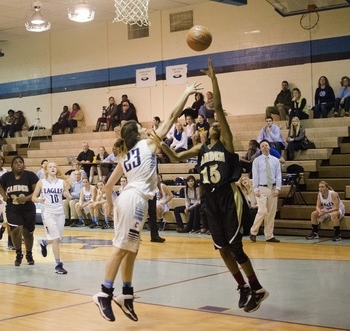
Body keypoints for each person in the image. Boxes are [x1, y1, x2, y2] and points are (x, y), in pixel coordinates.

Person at [152, 59, 269, 313]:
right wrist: (158, 141)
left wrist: (214, 78)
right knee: (222, 249)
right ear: (206, 130)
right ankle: (243, 287)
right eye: (214, 123)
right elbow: (174, 157)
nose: (216, 123)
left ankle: (257, 288)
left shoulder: (225, 143)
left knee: (236, 247)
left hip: (228, 196)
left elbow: (218, 108)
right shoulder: (200, 148)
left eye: (218, 122)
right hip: (210, 200)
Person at [93, 78, 201, 322]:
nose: (145, 126)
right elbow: (173, 116)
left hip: (131, 200)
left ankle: (126, 296)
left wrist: (110, 205)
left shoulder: (127, 154)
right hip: (134, 199)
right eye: (141, 126)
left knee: (131, 249)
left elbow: (109, 185)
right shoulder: (148, 143)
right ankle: (104, 293)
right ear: (137, 132)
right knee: (122, 248)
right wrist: (185, 92)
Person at [0, 156, 39, 266]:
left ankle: (29, 254)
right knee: (16, 229)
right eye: (16, 162)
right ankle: (18, 253)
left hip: (28, 208)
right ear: (12, 166)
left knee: (28, 232)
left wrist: (26, 198)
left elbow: (37, 191)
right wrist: (4, 196)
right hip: (13, 208)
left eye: (21, 162)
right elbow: (0, 186)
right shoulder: (6, 177)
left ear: (24, 164)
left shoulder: (30, 175)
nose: (19, 164)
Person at [33, 162, 71, 274]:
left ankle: (44, 243)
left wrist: (68, 197)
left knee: (57, 239)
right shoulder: (41, 182)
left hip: (60, 213)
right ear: (46, 170)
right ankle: (58, 264)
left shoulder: (62, 183)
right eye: (50, 167)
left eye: (55, 166)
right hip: (48, 213)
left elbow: (67, 197)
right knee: (56, 239)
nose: (53, 168)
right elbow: (33, 198)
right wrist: (40, 200)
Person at [250, 139, 282, 243]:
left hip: (272, 188)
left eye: (266, 145)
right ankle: (253, 231)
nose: (265, 147)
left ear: (269, 147)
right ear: (260, 148)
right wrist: (255, 189)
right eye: (263, 145)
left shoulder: (275, 160)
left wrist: (278, 188)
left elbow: (278, 175)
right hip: (261, 188)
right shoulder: (257, 161)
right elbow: (255, 176)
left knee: (271, 213)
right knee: (262, 211)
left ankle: (269, 235)